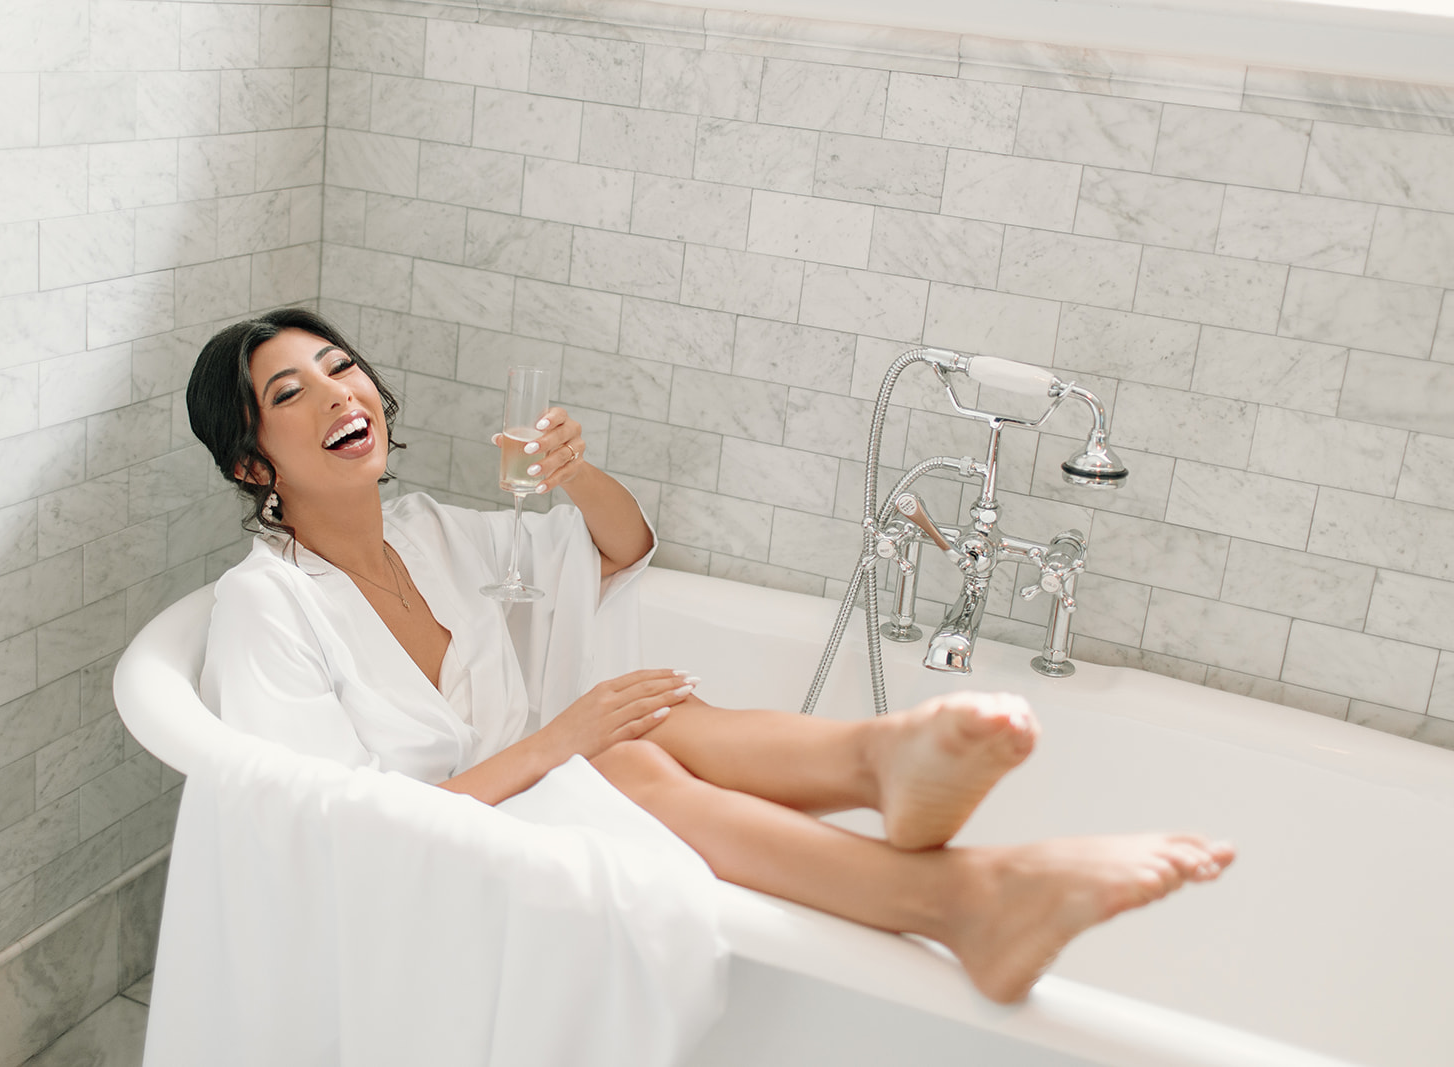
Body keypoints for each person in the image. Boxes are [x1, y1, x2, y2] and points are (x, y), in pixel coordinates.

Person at [185, 306, 1234, 1005]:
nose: (337, 396)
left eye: (341, 367)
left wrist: (577, 473)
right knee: (618, 744)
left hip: (502, 819)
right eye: (290, 395)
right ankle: (937, 867)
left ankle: (897, 789)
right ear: (251, 459)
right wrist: (559, 741)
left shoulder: (426, 531)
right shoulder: (265, 608)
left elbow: (617, 547)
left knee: (639, 722)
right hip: (408, 886)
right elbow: (339, 837)